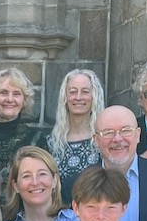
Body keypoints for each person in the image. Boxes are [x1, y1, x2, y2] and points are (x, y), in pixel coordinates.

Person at [44, 69, 105, 202]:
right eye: (72, 92)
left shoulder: (104, 140)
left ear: (94, 96)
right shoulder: (50, 143)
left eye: (85, 91)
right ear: (65, 97)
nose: (78, 97)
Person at [0, 68, 43, 178]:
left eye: (16, 94)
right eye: (3, 93)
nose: (10, 99)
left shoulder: (37, 140)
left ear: (24, 100)